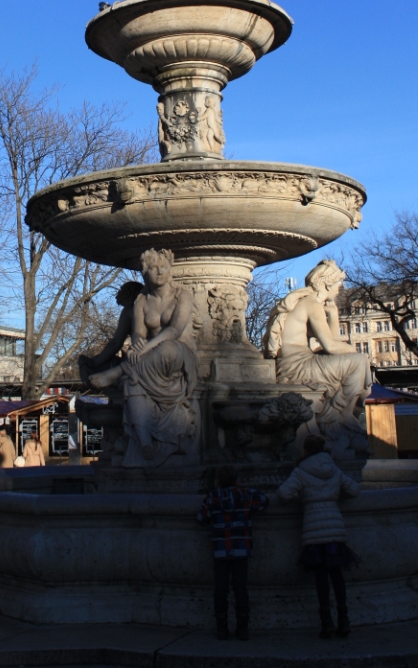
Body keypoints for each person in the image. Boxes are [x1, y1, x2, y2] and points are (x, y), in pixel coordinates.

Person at [88, 248, 199, 468]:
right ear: (144, 272)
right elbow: (139, 333)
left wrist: (145, 347)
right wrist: (138, 344)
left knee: (165, 349)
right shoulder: (141, 301)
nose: (160, 272)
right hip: (152, 358)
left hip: (179, 353)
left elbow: (175, 330)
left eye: (164, 267)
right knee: (133, 376)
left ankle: (117, 372)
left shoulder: (182, 296)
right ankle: (145, 440)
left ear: (170, 270)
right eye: (154, 268)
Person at [264, 260, 371, 458]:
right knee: (358, 361)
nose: (339, 290)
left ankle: (339, 413)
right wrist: (357, 353)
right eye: (338, 285)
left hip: (295, 363)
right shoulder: (311, 303)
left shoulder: (304, 301)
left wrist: (333, 316)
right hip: (299, 366)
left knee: (356, 360)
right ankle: (343, 414)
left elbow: (330, 345)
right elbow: (331, 346)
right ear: (328, 283)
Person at [278, 434, 359, 638]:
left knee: (321, 578)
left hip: (314, 528)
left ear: (305, 449)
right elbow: (354, 489)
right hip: (335, 527)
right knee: (337, 576)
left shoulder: (301, 470)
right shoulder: (333, 468)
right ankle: (344, 619)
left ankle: (327, 622)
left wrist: (303, 498)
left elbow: (283, 494)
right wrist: (334, 495)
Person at [197, 464, 269, 641]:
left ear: (218, 480)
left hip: (220, 550)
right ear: (236, 479)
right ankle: (243, 628)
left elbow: (201, 518)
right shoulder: (245, 495)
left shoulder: (212, 497)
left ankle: (222, 628)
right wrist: (246, 489)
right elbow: (264, 501)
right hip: (241, 548)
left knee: (220, 590)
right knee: (240, 589)